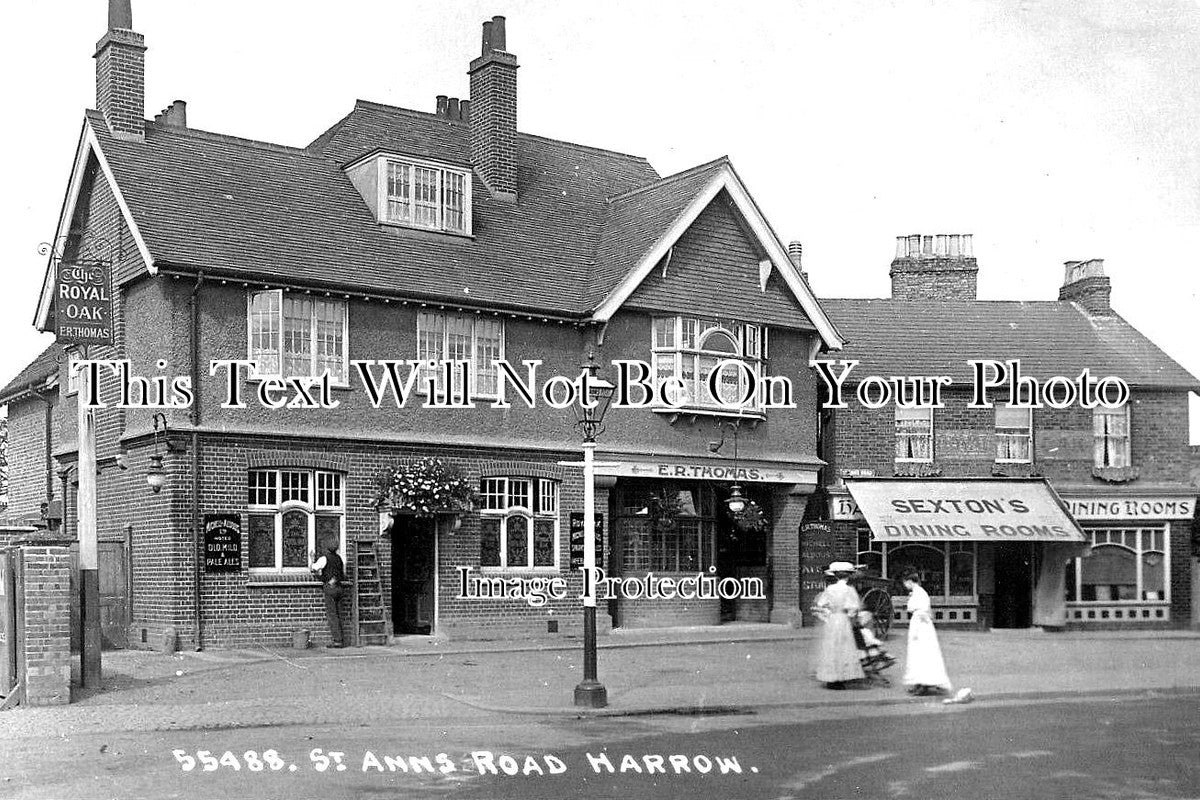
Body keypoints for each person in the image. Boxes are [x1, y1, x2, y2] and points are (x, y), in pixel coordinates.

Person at [811, 561, 866, 689]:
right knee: (843, 647)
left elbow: (821, 604)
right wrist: (852, 616)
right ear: (848, 576)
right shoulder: (849, 590)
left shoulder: (830, 589)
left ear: (835, 575)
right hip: (843, 619)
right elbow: (854, 608)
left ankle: (831, 678)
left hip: (832, 620)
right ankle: (841, 677)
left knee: (831, 647)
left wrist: (827, 615)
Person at [900, 568, 952, 696]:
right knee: (916, 653)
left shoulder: (920, 593)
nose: (905, 585)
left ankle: (924, 684)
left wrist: (917, 629)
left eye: (905, 582)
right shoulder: (916, 592)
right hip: (918, 623)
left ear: (910, 581)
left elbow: (922, 611)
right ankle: (918, 682)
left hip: (921, 625)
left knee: (923, 652)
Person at [311, 540, 348, 648]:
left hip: (330, 588)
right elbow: (341, 574)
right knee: (339, 614)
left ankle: (337, 641)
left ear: (327, 548)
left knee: (332, 615)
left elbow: (314, 568)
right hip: (339, 588)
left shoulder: (324, 558)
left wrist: (312, 559)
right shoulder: (340, 558)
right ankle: (341, 639)